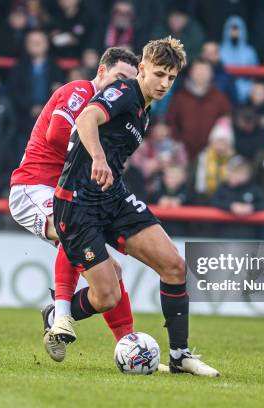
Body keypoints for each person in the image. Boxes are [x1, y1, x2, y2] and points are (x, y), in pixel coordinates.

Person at [52, 37, 219, 376]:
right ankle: (55, 314)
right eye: (158, 74)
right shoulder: (125, 92)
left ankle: (180, 355)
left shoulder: (145, 109)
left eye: (171, 78)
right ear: (141, 69)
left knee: (174, 266)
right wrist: (98, 158)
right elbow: (86, 119)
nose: (164, 84)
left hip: (112, 197)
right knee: (107, 297)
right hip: (78, 203)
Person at [8, 47, 140, 363]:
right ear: (102, 71)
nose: (122, 86)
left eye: (129, 82)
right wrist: (95, 151)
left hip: (66, 195)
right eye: (119, 77)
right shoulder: (81, 90)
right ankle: (63, 314)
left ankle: (129, 344)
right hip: (33, 187)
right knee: (74, 227)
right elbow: (56, 136)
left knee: (112, 275)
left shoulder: (111, 113)